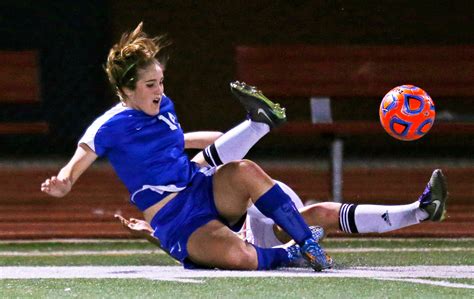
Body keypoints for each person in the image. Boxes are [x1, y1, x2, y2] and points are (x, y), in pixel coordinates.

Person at [40, 22, 333, 271]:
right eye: (151, 85)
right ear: (128, 90)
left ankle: (307, 241)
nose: (160, 91)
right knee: (239, 256)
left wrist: (220, 140)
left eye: (161, 82)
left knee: (245, 171)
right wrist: (64, 183)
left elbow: (174, 141)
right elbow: (79, 160)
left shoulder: (164, 106)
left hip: (200, 187)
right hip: (174, 220)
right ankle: (290, 254)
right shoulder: (110, 125)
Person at [117, 169, 448, 260]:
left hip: (258, 210)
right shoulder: (183, 216)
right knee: (315, 214)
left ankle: (419, 211)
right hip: (254, 237)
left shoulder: (179, 174)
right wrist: (151, 233)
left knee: (312, 213)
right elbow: (187, 242)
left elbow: (215, 146)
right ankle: (418, 212)